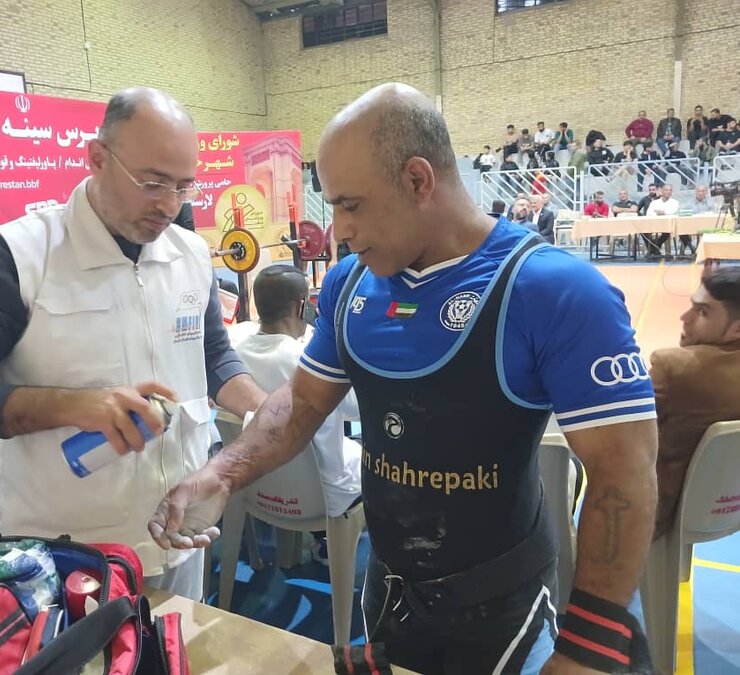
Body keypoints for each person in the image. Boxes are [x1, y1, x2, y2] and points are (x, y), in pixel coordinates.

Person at [149, 83, 658, 674]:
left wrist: (589, 647)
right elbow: (303, 403)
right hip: (388, 596)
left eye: (352, 205)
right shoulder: (348, 285)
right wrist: (222, 472)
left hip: (504, 609)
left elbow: (624, 470)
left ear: (419, 180)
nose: (338, 230)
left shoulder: (555, 290)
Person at [0, 87, 266, 601]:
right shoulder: (18, 256)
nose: (169, 205)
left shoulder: (189, 253)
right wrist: (76, 407)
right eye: (152, 183)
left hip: (177, 527)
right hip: (67, 550)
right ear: (98, 158)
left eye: (183, 187)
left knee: (175, 640)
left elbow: (212, 354)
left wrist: (262, 409)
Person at [234, 265, 362, 528]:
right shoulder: (309, 363)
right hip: (324, 494)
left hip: (259, 487)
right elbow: (357, 410)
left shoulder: (235, 357)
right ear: (302, 306)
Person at [650, 267, 740, 538]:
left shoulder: (674, 368)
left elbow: (623, 434)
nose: (684, 318)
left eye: (702, 312)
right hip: (728, 505)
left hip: (662, 514)